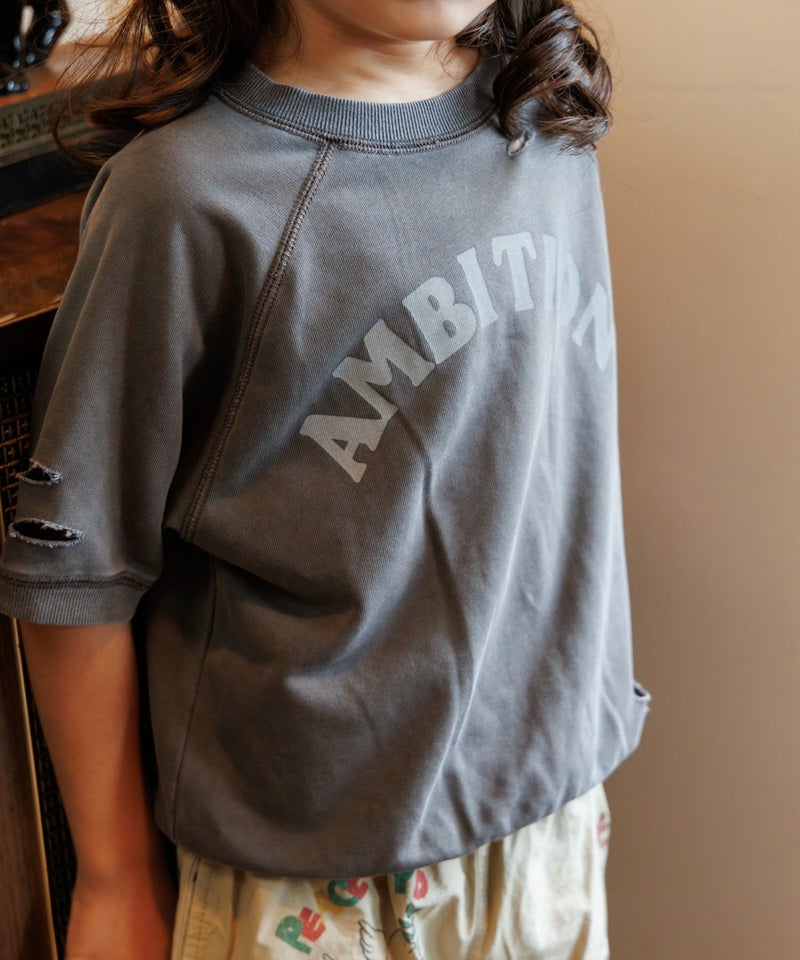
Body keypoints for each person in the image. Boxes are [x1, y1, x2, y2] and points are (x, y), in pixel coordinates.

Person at [0, 1, 652, 958]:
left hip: (548, 820)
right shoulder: (182, 196)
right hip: (307, 873)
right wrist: (116, 874)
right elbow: (77, 566)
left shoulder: (546, 110)